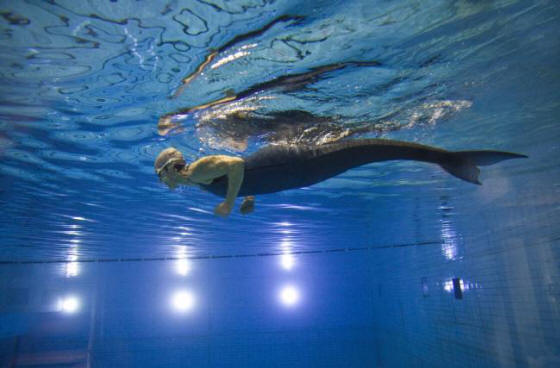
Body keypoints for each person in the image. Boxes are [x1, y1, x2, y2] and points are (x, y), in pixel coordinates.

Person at [155, 138, 526, 217]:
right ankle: (449, 158)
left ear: (173, 168)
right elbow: (251, 179)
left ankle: (450, 157)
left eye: (162, 176)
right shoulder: (196, 184)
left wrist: (232, 200)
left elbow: (237, 167)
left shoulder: (198, 171)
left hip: (294, 160)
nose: (165, 183)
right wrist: (249, 199)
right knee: (368, 153)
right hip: (294, 173)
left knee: (367, 150)